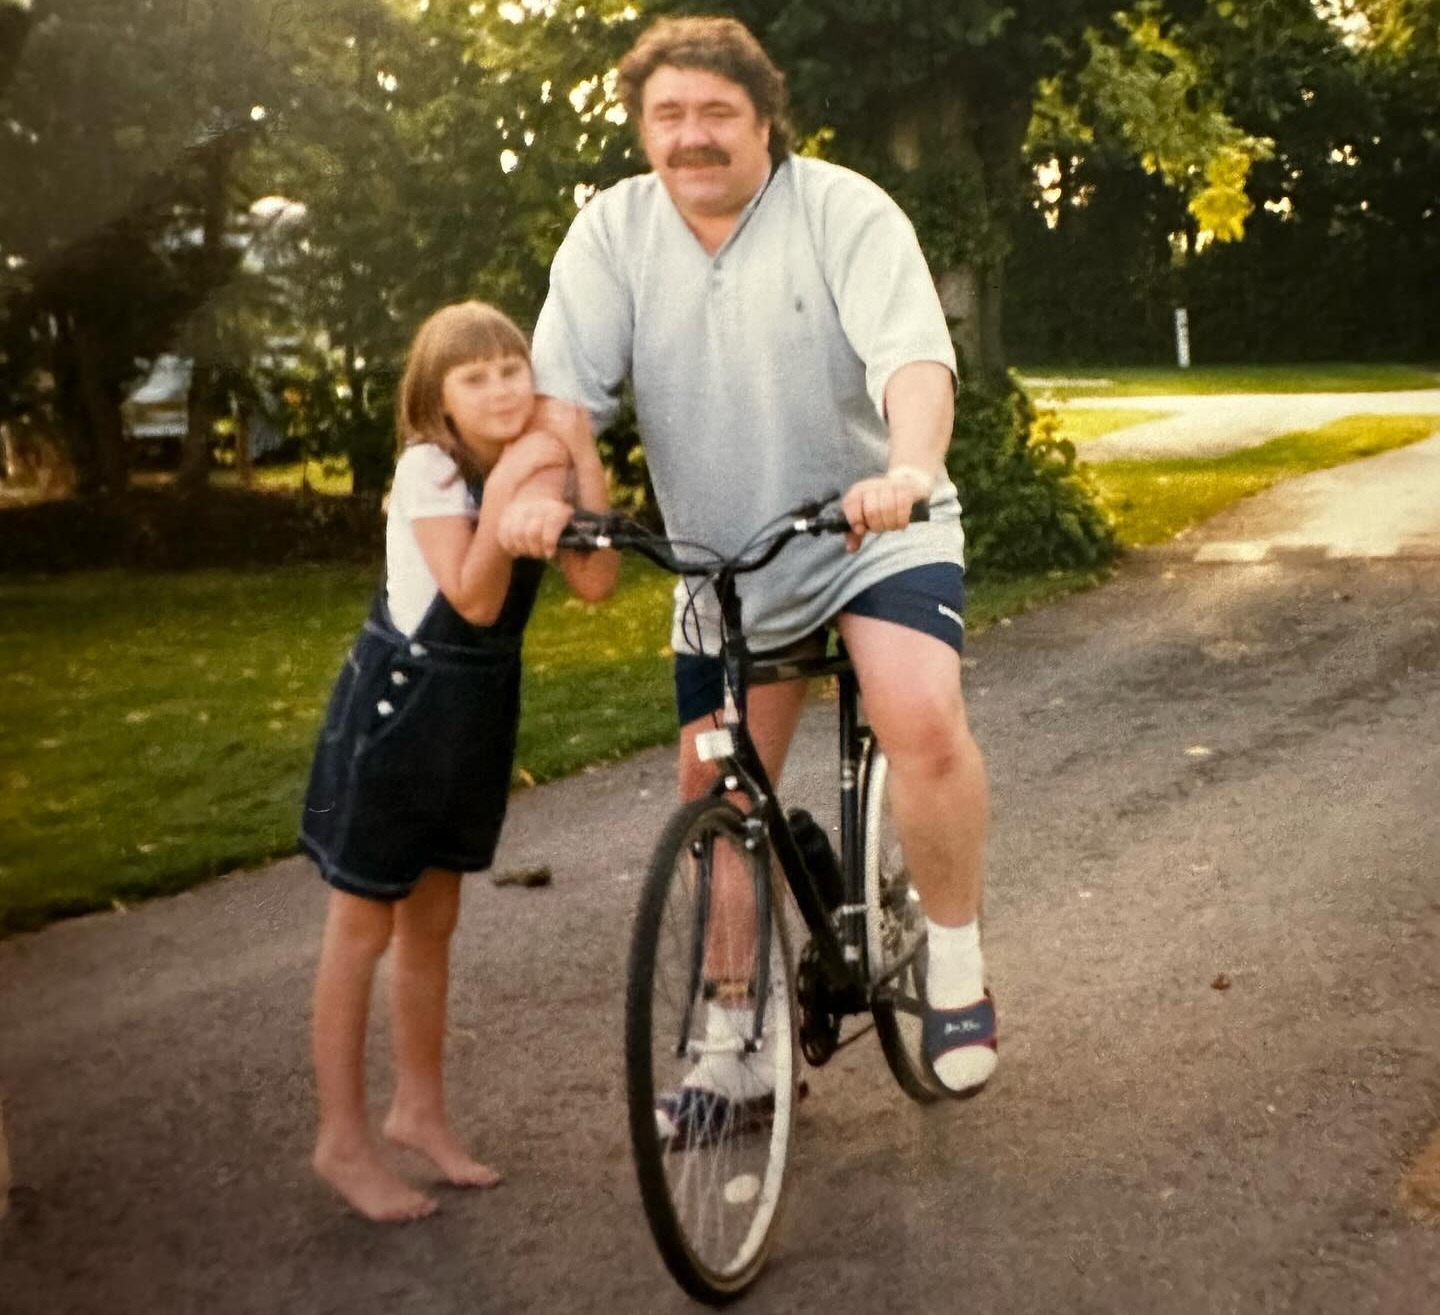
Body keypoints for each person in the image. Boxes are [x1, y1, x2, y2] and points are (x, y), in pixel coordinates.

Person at [507, 15, 996, 1139]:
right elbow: (561, 402)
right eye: (668, 116)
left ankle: (958, 971)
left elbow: (913, 361)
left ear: (764, 119)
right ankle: (738, 1048)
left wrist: (910, 466)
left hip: (874, 527)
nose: (692, 137)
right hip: (726, 559)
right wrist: (547, 490)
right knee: (719, 803)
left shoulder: (842, 210)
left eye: (716, 114)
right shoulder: (612, 232)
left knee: (919, 712)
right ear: (640, 127)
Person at [300, 300, 619, 1221]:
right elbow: (476, 601)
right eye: (473, 377)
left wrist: (580, 461)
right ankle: (343, 1138)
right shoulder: (432, 468)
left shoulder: (536, 459)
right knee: (361, 926)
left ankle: (419, 1109)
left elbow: (595, 581)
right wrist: (524, 471)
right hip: (400, 712)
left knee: (432, 922)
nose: (501, 388)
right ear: (436, 399)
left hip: (471, 716)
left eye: (512, 368)